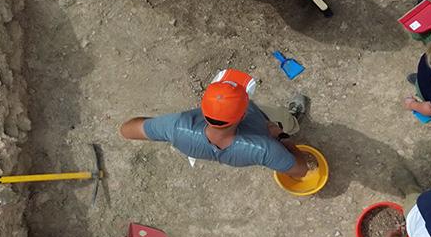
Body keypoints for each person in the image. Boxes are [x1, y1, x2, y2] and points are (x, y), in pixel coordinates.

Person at [119, 69, 312, 178]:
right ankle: (293, 121)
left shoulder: (177, 127)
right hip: (265, 127)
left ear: (203, 108)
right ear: (244, 113)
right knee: (285, 121)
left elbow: (127, 130)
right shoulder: (265, 149)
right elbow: (301, 170)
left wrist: (164, 126)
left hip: (206, 149)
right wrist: (280, 135)